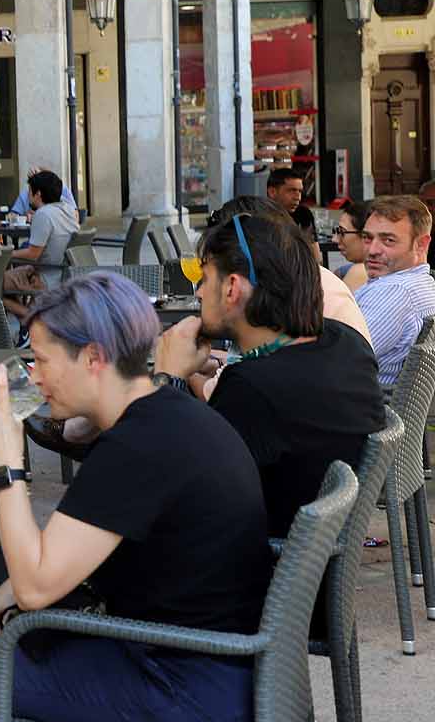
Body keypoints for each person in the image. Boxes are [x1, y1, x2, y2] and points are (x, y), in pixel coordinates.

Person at [0, 273, 273, 722]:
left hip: (192, 687)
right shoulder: (169, 416)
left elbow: (39, 586)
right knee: (16, 647)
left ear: (92, 358)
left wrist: (5, 464)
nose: (34, 377)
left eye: (41, 360)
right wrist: (4, 599)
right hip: (234, 669)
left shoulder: (135, 448)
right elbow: (80, 549)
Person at [155, 208, 382, 540]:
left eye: (204, 279)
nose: (200, 292)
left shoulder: (252, 387)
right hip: (309, 567)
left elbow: (166, 483)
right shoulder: (345, 342)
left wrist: (168, 378)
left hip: (257, 576)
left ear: (232, 287)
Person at [353, 194, 435, 387]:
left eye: (388, 240)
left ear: (421, 245)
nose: (372, 250)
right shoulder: (424, 283)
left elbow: (337, 359)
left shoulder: (395, 291)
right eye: (367, 238)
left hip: (357, 406)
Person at [2, 170, 79, 319]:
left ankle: (32, 320)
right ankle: (30, 322)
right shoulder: (68, 210)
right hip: (63, 272)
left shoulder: (43, 214)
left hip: (45, 276)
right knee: (9, 278)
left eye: (29, 191)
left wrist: (6, 253)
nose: (27, 195)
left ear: (38, 194)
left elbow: (33, 254)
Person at [267, 166, 319, 261]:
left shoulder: (303, 214)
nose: (298, 197)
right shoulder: (261, 216)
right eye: (291, 191)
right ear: (272, 192)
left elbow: (315, 256)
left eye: (300, 191)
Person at [331, 200, 371, 291]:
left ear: (365, 236)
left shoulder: (360, 271)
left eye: (341, 232)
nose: (334, 239)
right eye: (337, 230)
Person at [6, 166, 77, 217]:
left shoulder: (61, 190)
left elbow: (75, 215)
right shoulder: (26, 193)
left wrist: (40, 216)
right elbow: (13, 215)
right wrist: (25, 217)